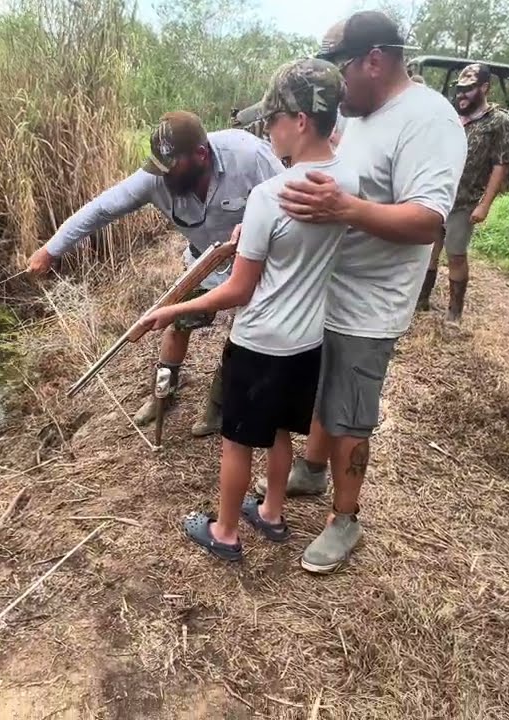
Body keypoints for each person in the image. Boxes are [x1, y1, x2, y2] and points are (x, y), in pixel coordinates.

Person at [253, 10, 466, 573]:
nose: (334, 84)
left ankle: (344, 520)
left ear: (374, 60)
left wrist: (343, 208)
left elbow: (427, 221)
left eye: (339, 68)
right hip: (332, 284)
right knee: (323, 388)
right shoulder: (362, 113)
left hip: (371, 301)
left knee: (350, 411)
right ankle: (311, 469)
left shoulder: (429, 120)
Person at [140, 58, 355, 562]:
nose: (267, 130)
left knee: (237, 441)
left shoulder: (269, 193)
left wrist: (172, 310)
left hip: (259, 342)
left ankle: (226, 531)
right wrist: (249, 236)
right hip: (308, 341)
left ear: (300, 120)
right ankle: (273, 514)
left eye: (274, 118)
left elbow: (239, 290)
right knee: (280, 429)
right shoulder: (348, 178)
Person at [27, 111, 284, 438]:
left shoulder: (249, 156)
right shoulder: (154, 177)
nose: (161, 177)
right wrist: (50, 250)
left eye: (170, 168)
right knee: (177, 322)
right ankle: (163, 393)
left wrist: (259, 225)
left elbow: (286, 195)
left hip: (254, 261)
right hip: (202, 260)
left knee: (239, 336)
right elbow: (100, 209)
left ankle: (218, 407)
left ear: (201, 156)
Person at [416, 63, 509, 323]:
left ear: (484, 88)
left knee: (456, 254)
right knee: (429, 249)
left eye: (469, 90)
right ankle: (421, 300)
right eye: (459, 90)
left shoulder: (498, 121)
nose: (462, 95)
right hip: (438, 195)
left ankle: (454, 312)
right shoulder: (451, 116)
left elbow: (500, 165)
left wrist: (485, 204)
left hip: (465, 200)